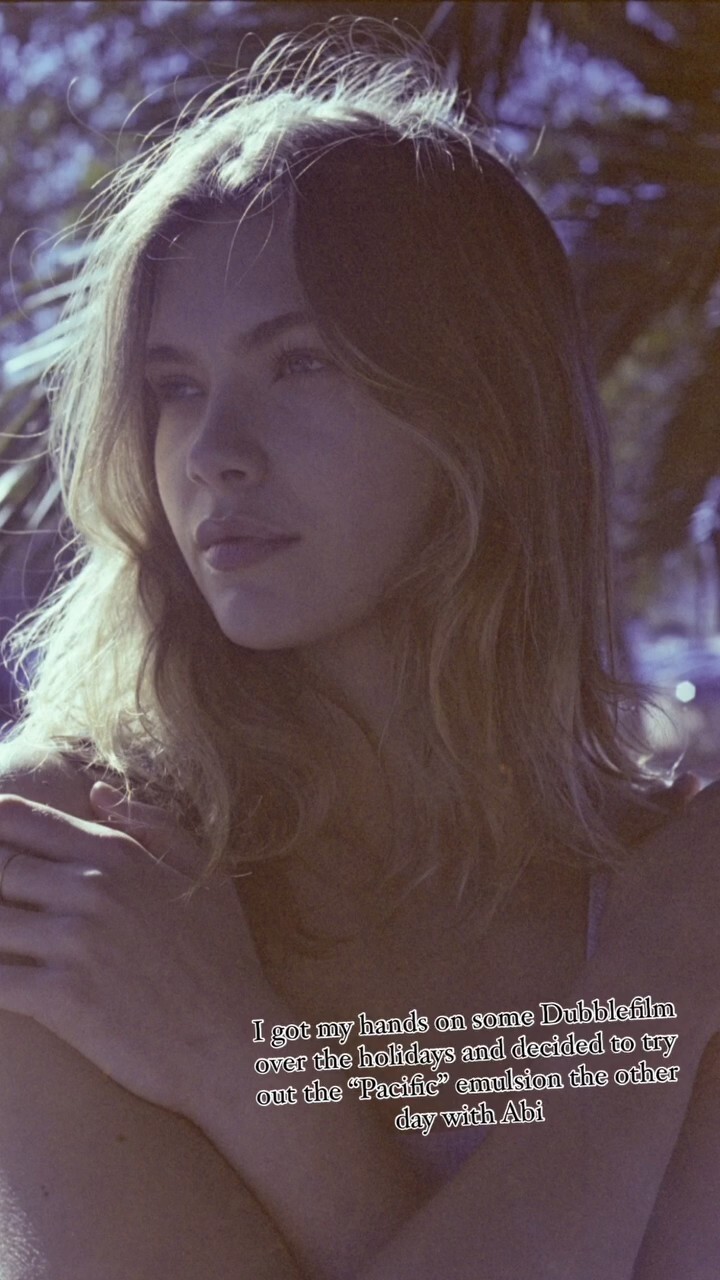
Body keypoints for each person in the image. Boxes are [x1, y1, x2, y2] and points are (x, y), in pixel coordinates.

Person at [0, 17, 717, 1279]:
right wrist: (653, 999)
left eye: (300, 362)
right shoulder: (72, 866)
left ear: (483, 412)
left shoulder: (672, 882)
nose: (213, 451)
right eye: (173, 385)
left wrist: (236, 1061)